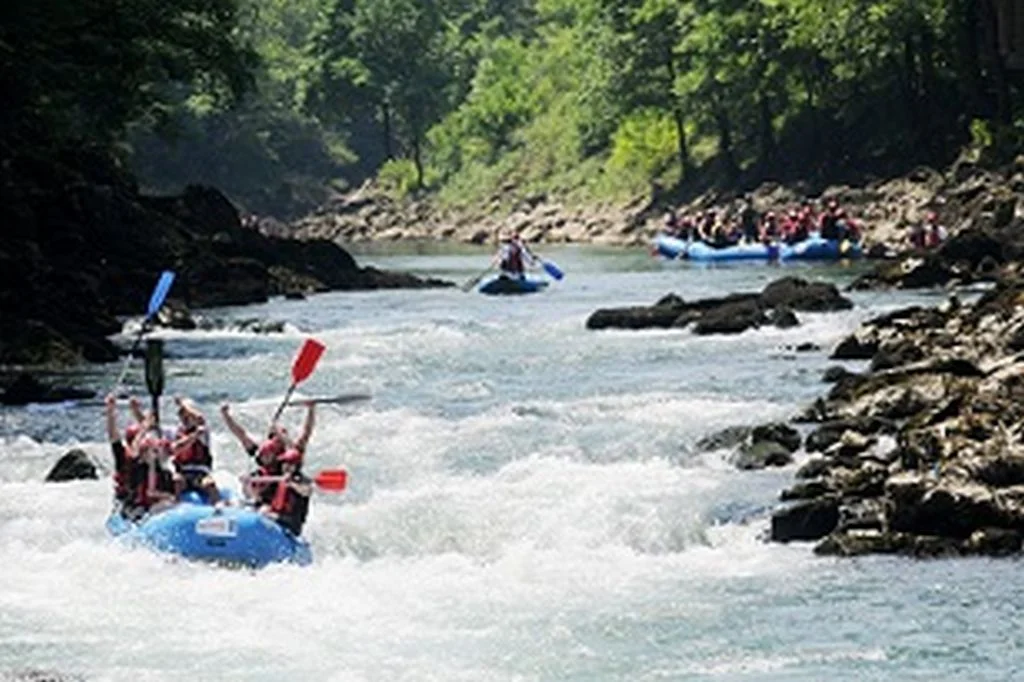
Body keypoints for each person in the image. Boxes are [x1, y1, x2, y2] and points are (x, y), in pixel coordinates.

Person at [221, 400, 316, 503]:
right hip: (264, 497)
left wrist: (311, 409)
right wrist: (225, 415)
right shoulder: (260, 452)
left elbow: (306, 432)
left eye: (280, 439)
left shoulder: (290, 455)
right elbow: (240, 434)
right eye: (275, 437)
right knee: (252, 481)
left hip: (287, 498)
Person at [170, 396, 220, 504]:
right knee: (176, 481)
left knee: (210, 485)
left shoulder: (203, 432)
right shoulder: (176, 433)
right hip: (183, 474)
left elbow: (199, 418)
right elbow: (176, 448)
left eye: (188, 416)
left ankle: (217, 510)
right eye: (182, 415)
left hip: (200, 474)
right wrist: (193, 436)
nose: (185, 418)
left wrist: (182, 404)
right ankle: (175, 509)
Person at [259, 449, 312, 536]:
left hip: (293, 522)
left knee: (268, 515)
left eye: (291, 464)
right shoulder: (278, 478)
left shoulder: (302, 480)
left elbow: (306, 491)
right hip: (277, 515)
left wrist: (291, 484)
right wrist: (247, 484)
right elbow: (260, 497)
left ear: (296, 466)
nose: (286, 466)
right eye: (285, 463)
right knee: (259, 509)